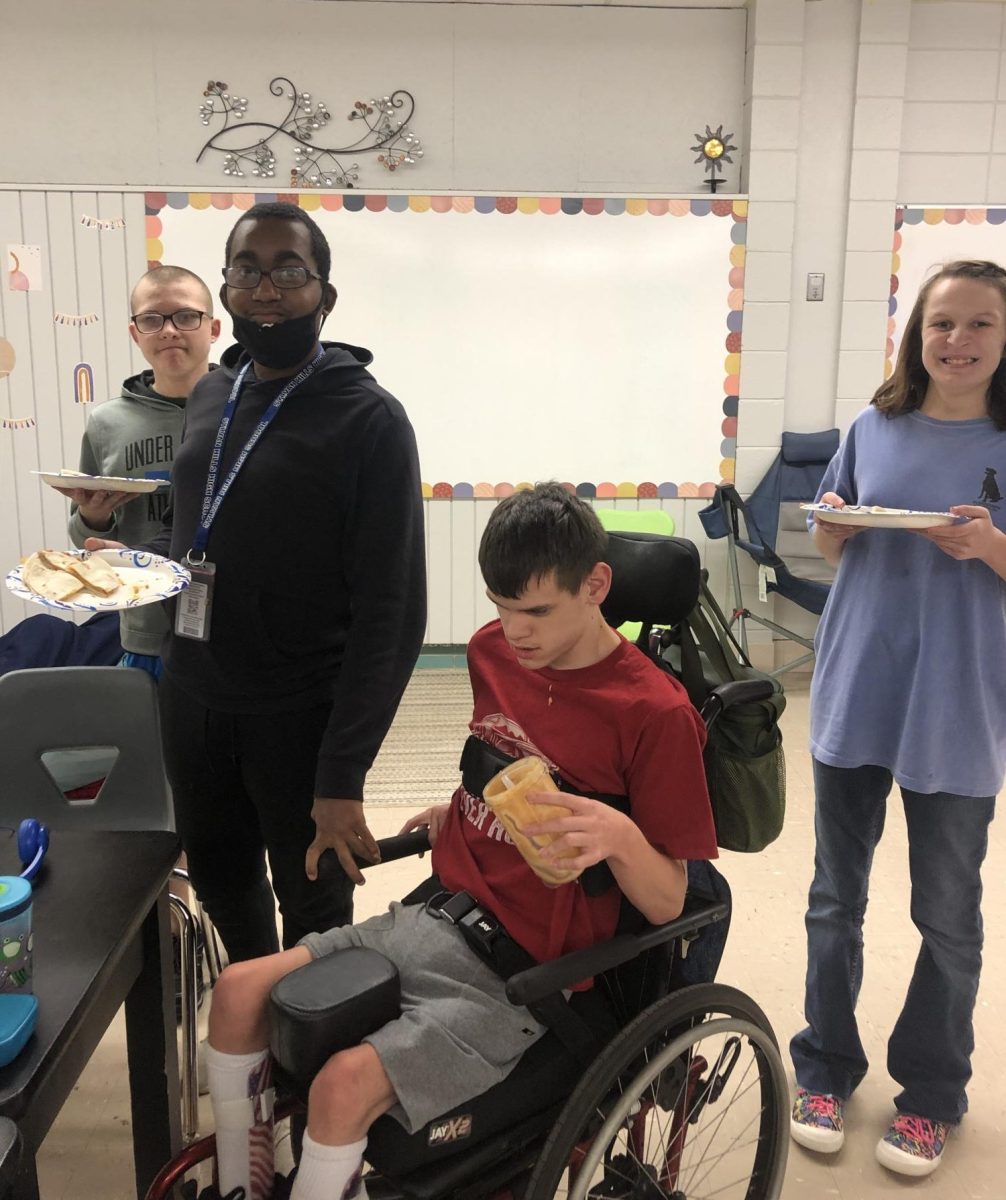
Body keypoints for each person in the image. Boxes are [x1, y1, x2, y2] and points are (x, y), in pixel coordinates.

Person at [198, 482, 718, 1200]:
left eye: (536, 611)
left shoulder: (654, 713)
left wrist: (620, 836)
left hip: (530, 976)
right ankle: (243, 1185)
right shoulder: (492, 653)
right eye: (501, 608)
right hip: (440, 914)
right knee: (236, 991)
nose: (515, 631)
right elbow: (501, 753)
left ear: (596, 585)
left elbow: (669, 903)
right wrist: (465, 807)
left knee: (343, 1087)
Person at [87, 202, 426, 964]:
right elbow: (200, 536)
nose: (266, 288)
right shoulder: (215, 392)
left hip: (299, 712)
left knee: (311, 900)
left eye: (289, 271)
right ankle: (251, 1016)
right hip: (195, 695)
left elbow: (392, 612)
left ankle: (304, 1057)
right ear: (227, 290)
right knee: (220, 880)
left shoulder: (368, 419)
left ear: (325, 296)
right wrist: (129, 563)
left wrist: (344, 774)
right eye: (247, 270)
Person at [789, 260, 1006, 1178]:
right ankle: (825, 1067)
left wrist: (992, 545)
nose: (957, 341)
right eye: (940, 324)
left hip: (960, 709)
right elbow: (827, 539)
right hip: (859, 692)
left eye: (980, 325)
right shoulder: (869, 428)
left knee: (946, 917)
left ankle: (931, 1094)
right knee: (836, 901)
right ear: (916, 335)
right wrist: (832, 524)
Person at [62, 265, 220, 677]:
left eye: (186, 316)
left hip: (231, 628)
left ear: (214, 328)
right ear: (136, 333)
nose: (169, 330)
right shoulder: (106, 423)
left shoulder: (243, 411)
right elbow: (88, 538)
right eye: (152, 319)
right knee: (150, 740)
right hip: (145, 628)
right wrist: (94, 516)